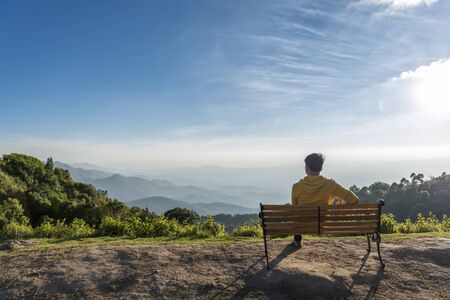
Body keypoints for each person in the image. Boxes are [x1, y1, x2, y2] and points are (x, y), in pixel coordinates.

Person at [291, 153, 359, 247]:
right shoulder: (330, 184)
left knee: (297, 214)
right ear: (320, 168)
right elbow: (354, 200)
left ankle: (297, 241)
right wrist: (335, 206)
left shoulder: (296, 187)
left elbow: (294, 210)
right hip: (322, 224)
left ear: (307, 168)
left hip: (304, 225)